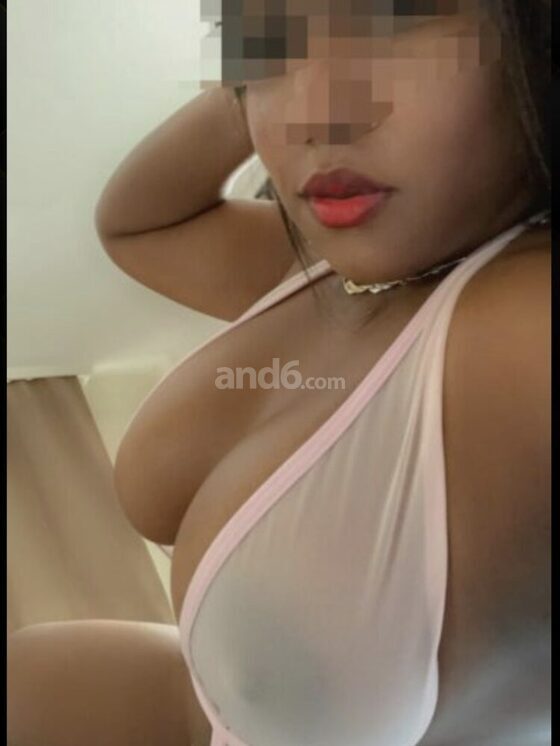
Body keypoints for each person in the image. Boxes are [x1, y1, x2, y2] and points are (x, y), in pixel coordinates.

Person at [8, 2, 550, 745]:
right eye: (263, 49)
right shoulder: (329, 278)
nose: (308, 117)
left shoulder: (525, 330)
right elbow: (135, 223)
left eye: (393, 19)